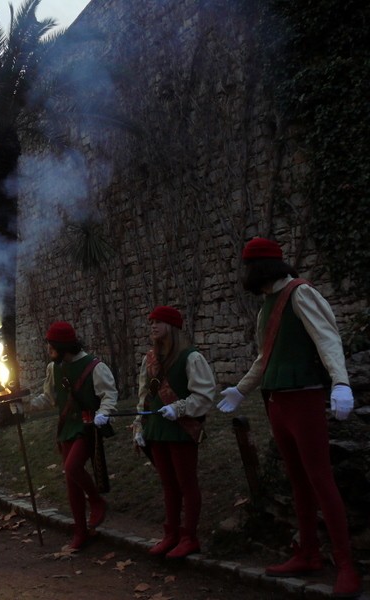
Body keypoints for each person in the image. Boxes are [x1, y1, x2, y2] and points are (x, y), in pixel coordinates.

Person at [217, 237, 361, 598]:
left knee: (320, 480)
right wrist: (242, 389)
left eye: (249, 267)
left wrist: (340, 382)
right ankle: (308, 553)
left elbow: (328, 339)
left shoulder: (301, 294)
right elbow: (265, 358)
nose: (245, 275)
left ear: (261, 267)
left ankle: (346, 564)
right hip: (277, 402)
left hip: (305, 400)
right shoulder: (268, 306)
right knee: (297, 480)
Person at [132, 306, 216, 558]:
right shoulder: (150, 359)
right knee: (168, 485)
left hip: (180, 430)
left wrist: (179, 409)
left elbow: (204, 395)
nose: (153, 326)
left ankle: (189, 537)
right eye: (151, 322)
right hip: (157, 429)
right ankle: (171, 535)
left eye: (159, 322)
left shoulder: (191, 357)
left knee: (187, 484)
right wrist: (139, 425)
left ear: (172, 326)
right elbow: (144, 396)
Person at [29, 321, 117, 551]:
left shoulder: (94, 366)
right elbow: (48, 398)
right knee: (71, 482)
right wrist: (22, 403)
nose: (48, 350)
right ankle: (81, 531)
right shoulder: (53, 368)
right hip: (66, 428)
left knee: (72, 467)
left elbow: (109, 394)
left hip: (88, 427)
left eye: (51, 346)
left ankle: (97, 501)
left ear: (62, 346)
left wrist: (104, 413)